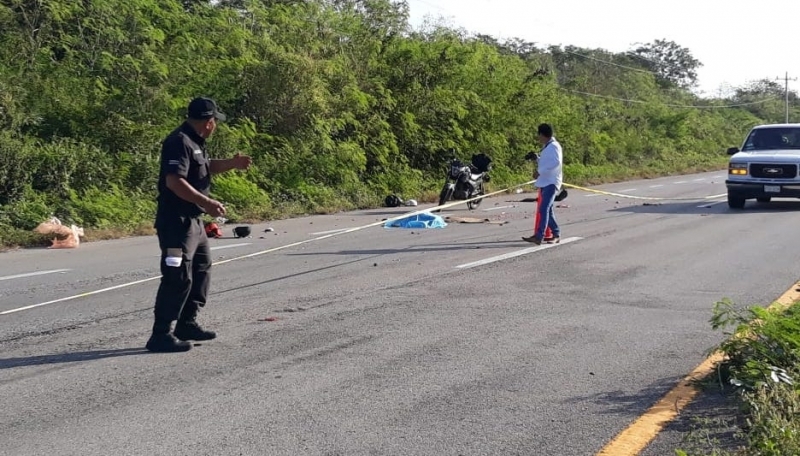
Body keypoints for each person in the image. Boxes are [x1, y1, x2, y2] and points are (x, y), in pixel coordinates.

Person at [146, 97, 252, 353]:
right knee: (177, 277)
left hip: (194, 222)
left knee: (201, 270)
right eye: (215, 120)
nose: (215, 125)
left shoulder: (195, 142)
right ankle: (160, 334)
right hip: (176, 222)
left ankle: (187, 323)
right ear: (209, 122)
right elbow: (174, 181)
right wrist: (207, 202)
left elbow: (205, 167)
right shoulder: (178, 141)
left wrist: (232, 164)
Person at [523, 123, 562, 245]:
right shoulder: (548, 146)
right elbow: (546, 162)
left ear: (542, 134)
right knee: (547, 210)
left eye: (538, 134)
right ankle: (556, 234)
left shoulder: (554, 146)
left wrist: (539, 172)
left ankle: (539, 236)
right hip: (546, 182)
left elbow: (555, 163)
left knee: (544, 208)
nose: (538, 137)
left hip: (551, 182)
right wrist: (537, 158)